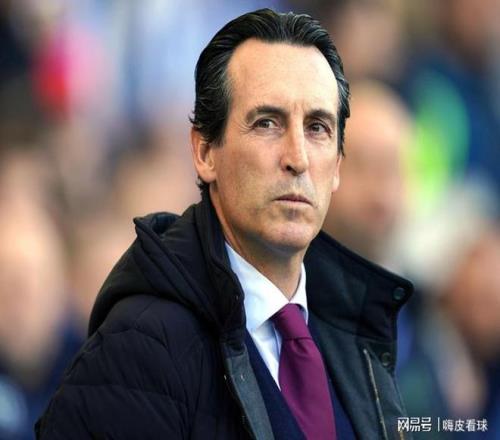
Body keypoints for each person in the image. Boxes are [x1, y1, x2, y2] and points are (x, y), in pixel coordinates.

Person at [36, 9, 412, 439]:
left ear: (338, 167)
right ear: (204, 152)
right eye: (267, 123)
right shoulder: (137, 350)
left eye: (317, 127)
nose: (298, 158)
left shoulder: (355, 340)